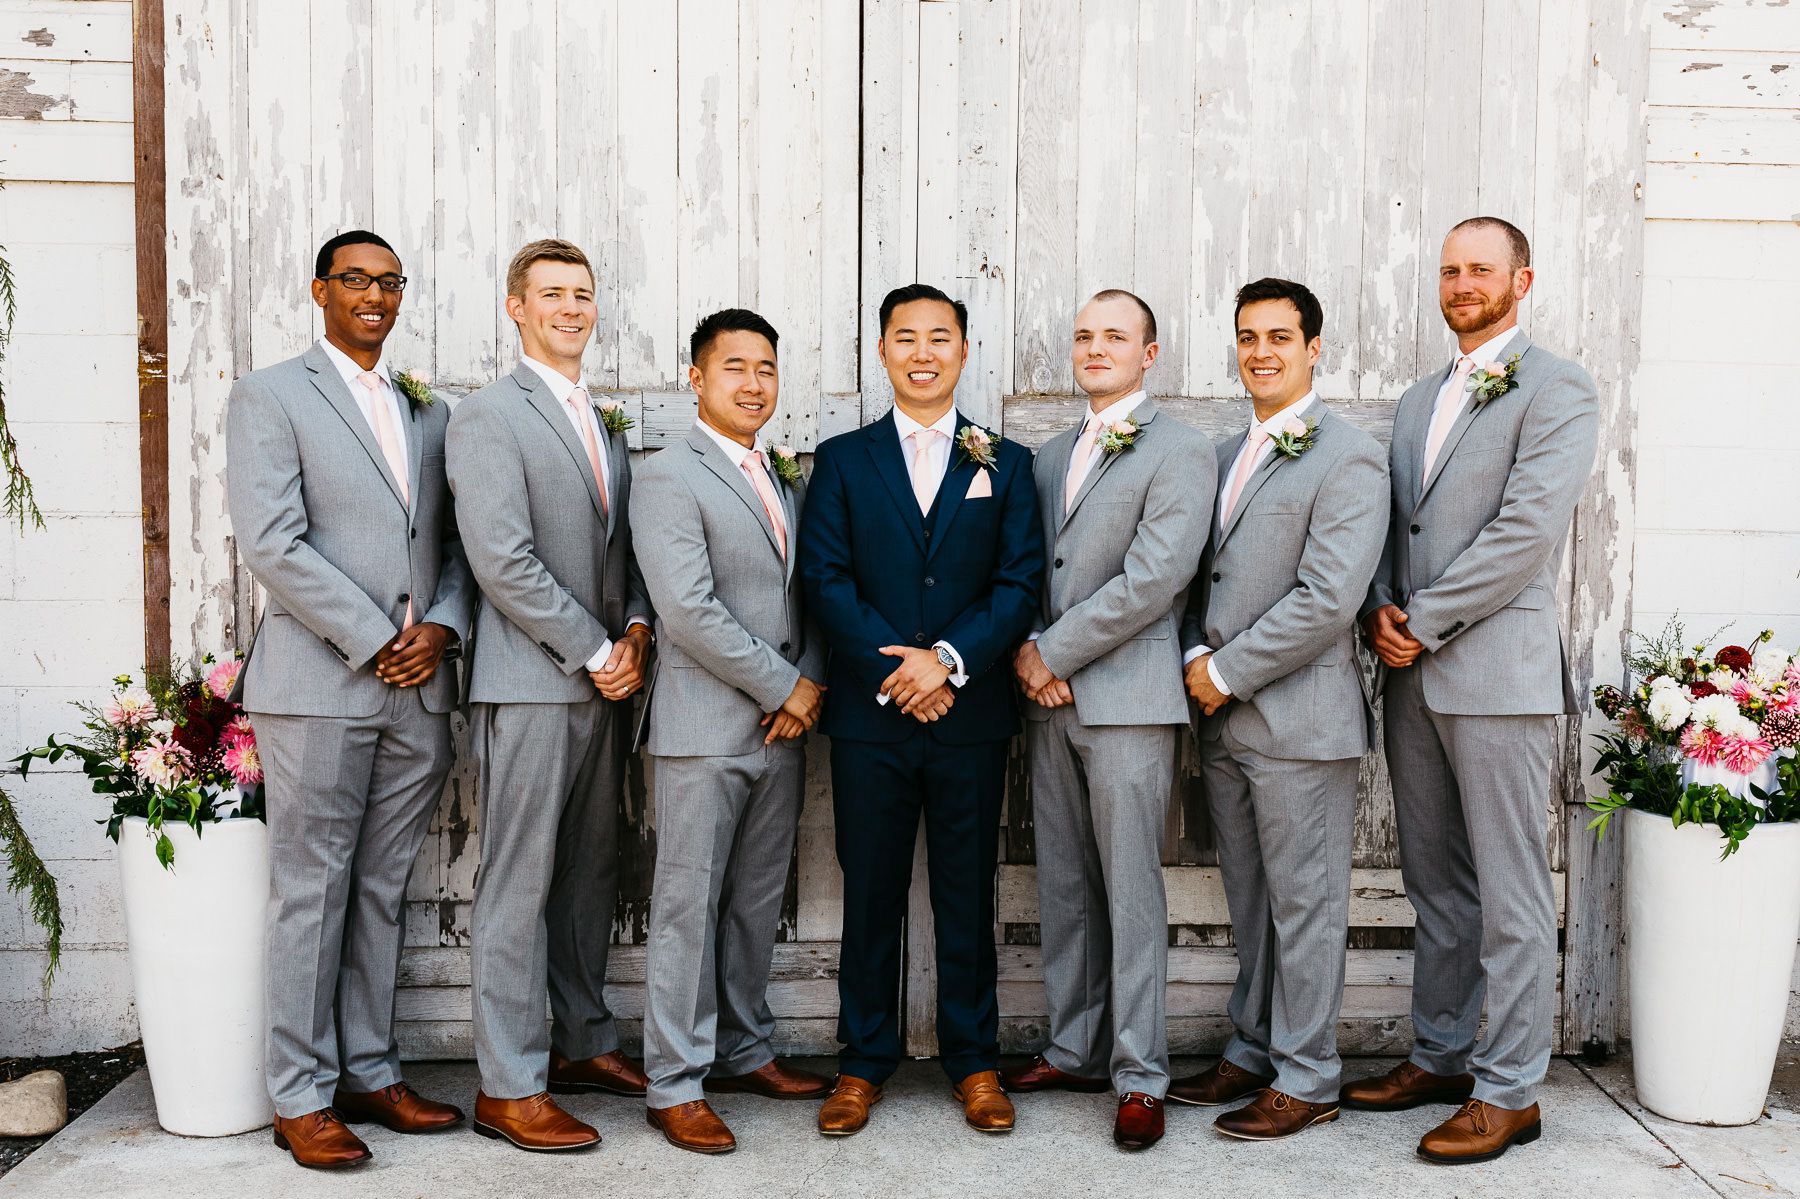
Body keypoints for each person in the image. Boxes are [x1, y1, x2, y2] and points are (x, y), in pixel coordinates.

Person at [1345, 217, 1598, 1164]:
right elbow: (1393, 525)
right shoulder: (1417, 400)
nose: (1461, 283)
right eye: (1449, 269)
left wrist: (1425, 618)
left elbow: (1526, 531)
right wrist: (1378, 608)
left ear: (1520, 280)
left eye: (1480, 269)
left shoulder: (1559, 386)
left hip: (1494, 671)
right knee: (1436, 881)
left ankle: (1510, 1088)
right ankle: (1443, 1054)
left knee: (1510, 887)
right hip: (1410, 673)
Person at [226, 229, 473, 1169]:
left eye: (390, 282)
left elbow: (455, 543)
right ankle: (299, 1093)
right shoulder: (271, 395)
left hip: (421, 688)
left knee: (380, 886)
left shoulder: (431, 412)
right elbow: (274, 542)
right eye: (356, 279)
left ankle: (370, 1068)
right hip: (323, 684)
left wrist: (443, 627)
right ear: (321, 289)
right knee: (311, 890)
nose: (374, 295)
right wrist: (377, 638)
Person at [797, 284, 1044, 1137]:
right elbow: (824, 580)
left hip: (970, 715)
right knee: (870, 890)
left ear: (965, 351)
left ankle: (975, 1061)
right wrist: (897, 671)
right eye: (906, 337)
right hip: (872, 718)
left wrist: (945, 664)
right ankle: (862, 1062)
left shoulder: (1004, 463)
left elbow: (1019, 583)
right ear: (883, 350)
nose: (924, 352)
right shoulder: (841, 460)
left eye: (941, 336)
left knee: (968, 892)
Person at [446, 238, 655, 1152]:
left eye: (583, 293)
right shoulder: (489, 417)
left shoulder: (601, 423)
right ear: (515, 307)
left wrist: (638, 634)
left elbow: (628, 547)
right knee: (519, 880)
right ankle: (508, 1083)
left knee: (587, 875)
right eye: (552, 294)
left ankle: (581, 1041)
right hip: (534, 680)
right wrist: (595, 646)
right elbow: (501, 561)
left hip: (607, 680)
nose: (571, 308)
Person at [1174, 277, 1389, 1141]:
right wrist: (1195, 655)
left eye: (1279, 336)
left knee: (1306, 905)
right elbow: (1200, 573)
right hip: (1222, 717)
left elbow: (1329, 597)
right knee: (1252, 899)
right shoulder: (1222, 454)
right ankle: (1254, 1044)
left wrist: (1225, 671)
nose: (1261, 351)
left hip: (1300, 720)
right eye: (1248, 336)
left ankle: (1310, 1074)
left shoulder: (1349, 456)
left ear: (1314, 349)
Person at [1003, 290, 1214, 1151]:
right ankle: (1074, 1045)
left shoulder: (1182, 450)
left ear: (1149, 352)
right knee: (1063, 881)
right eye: (1084, 334)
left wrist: (1053, 651)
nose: (1095, 348)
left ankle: (1139, 1074)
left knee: (1129, 888)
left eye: (1114, 336)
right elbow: (1022, 565)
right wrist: (1027, 646)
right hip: (1046, 700)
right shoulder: (1050, 456)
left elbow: (1156, 577)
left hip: (1126, 698)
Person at [630, 308, 832, 1154]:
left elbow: (806, 591)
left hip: (780, 730)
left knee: (754, 902)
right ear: (697, 379)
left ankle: (744, 1049)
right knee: (687, 905)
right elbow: (688, 610)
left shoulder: (781, 477)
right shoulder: (669, 476)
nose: (754, 385)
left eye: (766, 370)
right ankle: (674, 1081)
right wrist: (788, 684)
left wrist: (808, 683)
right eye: (735, 368)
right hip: (701, 727)